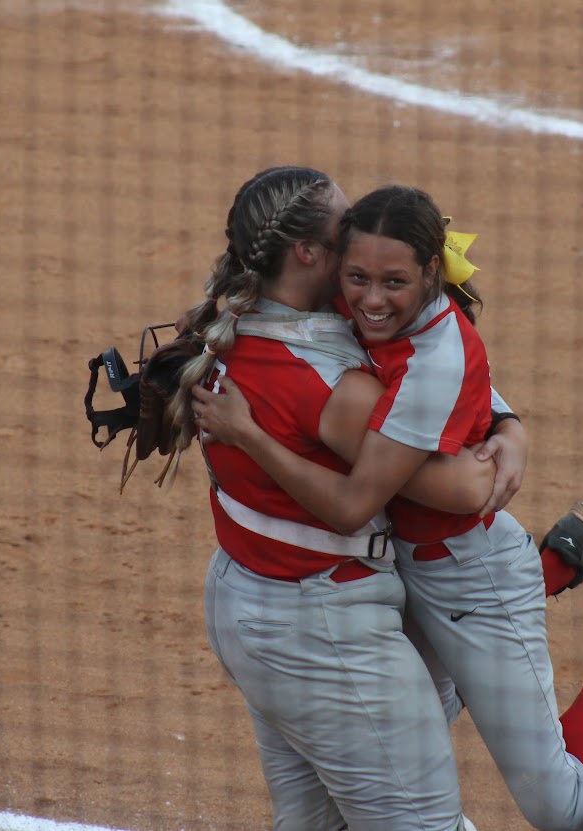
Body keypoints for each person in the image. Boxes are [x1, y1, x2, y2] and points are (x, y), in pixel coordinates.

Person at [193, 184, 583, 831]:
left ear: (428, 273)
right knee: (383, 755)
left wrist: (249, 433)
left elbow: (452, 489)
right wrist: (508, 424)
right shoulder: (355, 305)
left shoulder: (421, 350)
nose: (370, 295)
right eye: (356, 271)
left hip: (471, 572)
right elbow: (477, 396)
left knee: (560, 807)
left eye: (390, 280)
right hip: (407, 578)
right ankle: (552, 567)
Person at [165, 166, 510, 831]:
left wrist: (509, 420)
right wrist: (511, 440)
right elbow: (467, 485)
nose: (361, 237)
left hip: (253, 601)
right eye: (343, 225)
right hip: (323, 627)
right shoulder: (332, 387)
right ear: (308, 253)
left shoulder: (224, 322)